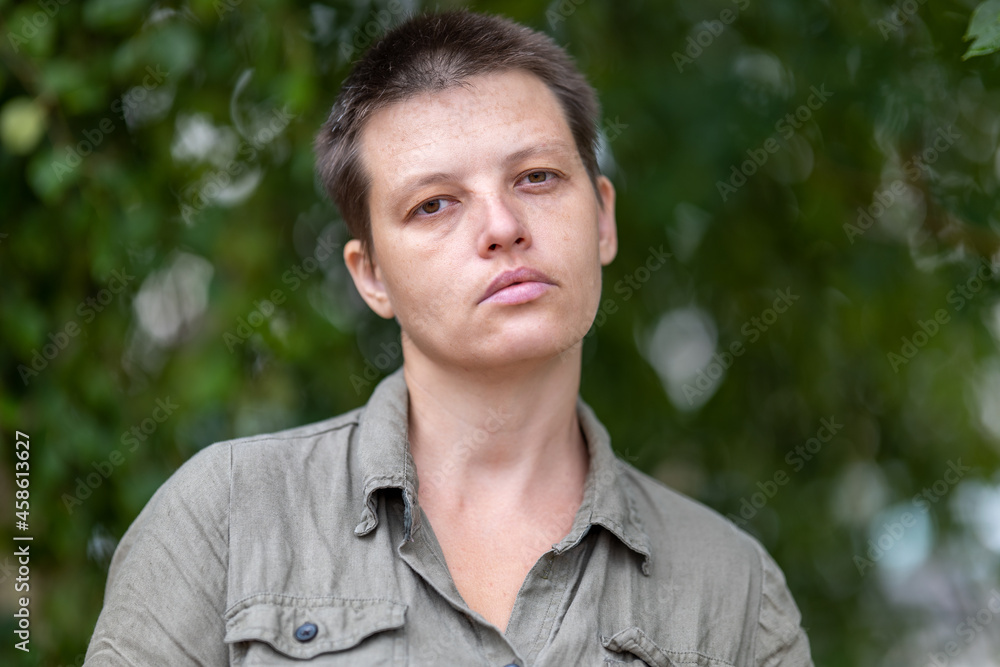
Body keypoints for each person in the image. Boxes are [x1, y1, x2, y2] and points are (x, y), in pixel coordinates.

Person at [85, 9, 813, 666]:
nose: (501, 227)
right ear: (370, 275)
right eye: (434, 204)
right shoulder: (227, 519)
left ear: (603, 218)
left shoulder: (733, 587)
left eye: (536, 177)